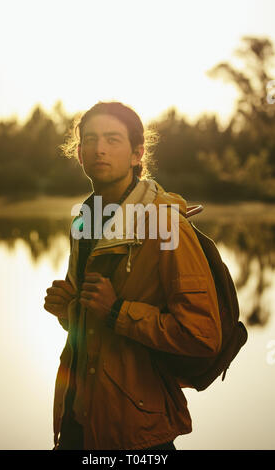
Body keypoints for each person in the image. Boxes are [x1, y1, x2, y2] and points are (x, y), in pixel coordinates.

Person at [44, 101, 222, 450]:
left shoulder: (165, 223)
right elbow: (91, 326)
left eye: (113, 139)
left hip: (137, 434)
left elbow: (202, 334)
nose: (100, 149)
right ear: (79, 154)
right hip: (77, 422)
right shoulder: (85, 218)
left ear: (137, 154)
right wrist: (70, 311)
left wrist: (117, 310)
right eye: (91, 140)